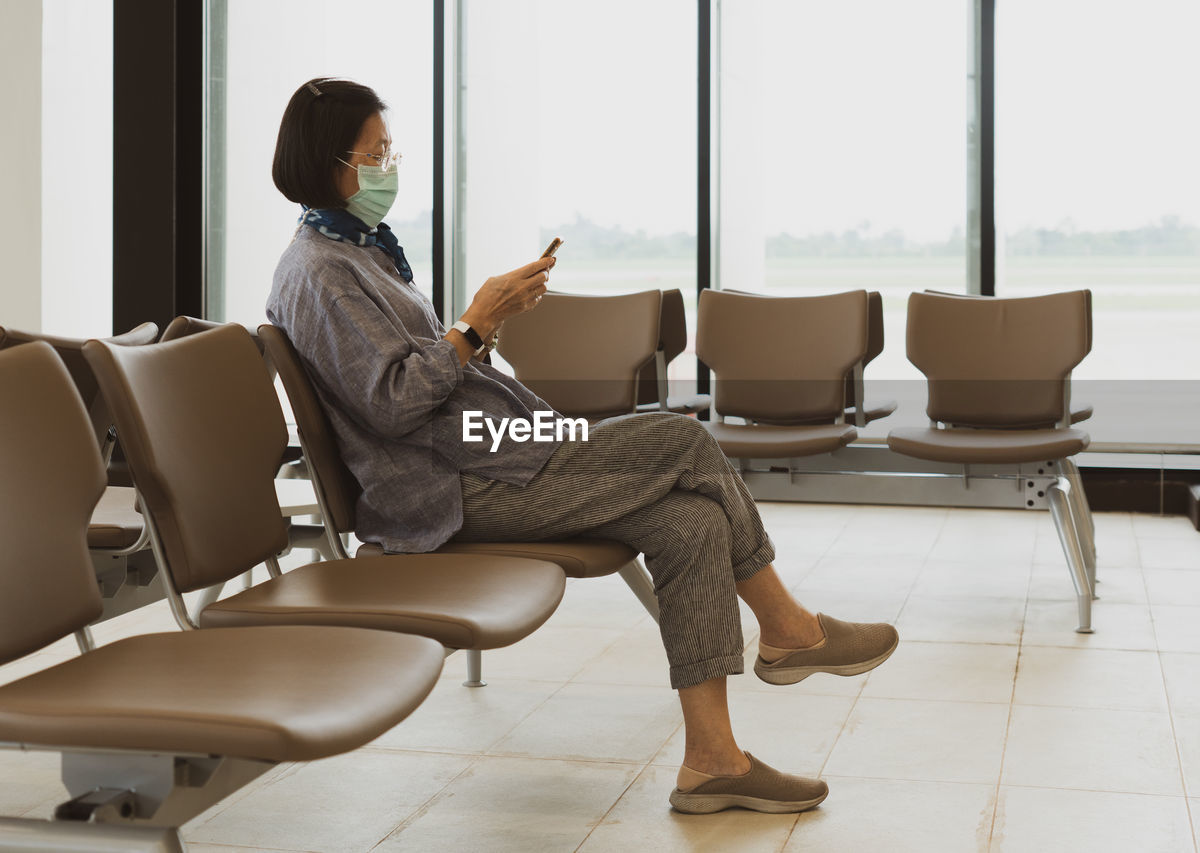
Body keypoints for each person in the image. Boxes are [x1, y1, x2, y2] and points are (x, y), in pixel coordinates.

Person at [267, 77, 898, 815]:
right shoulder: (320, 273)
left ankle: (713, 761)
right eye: (376, 152)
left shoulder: (358, 251)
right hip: (453, 482)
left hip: (496, 444)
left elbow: (424, 375)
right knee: (681, 437)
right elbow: (395, 402)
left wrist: (490, 323)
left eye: (388, 149)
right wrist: (474, 323)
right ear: (328, 160)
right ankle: (789, 628)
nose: (388, 165)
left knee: (688, 524)